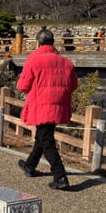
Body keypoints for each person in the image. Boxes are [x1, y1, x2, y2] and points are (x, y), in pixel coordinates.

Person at [16, 28, 78, 190]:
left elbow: (23, 85)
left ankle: (60, 175)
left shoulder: (34, 60)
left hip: (40, 105)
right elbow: (73, 85)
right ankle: (30, 165)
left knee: (47, 141)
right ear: (53, 42)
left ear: (38, 43)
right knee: (43, 137)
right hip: (57, 105)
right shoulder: (66, 62)